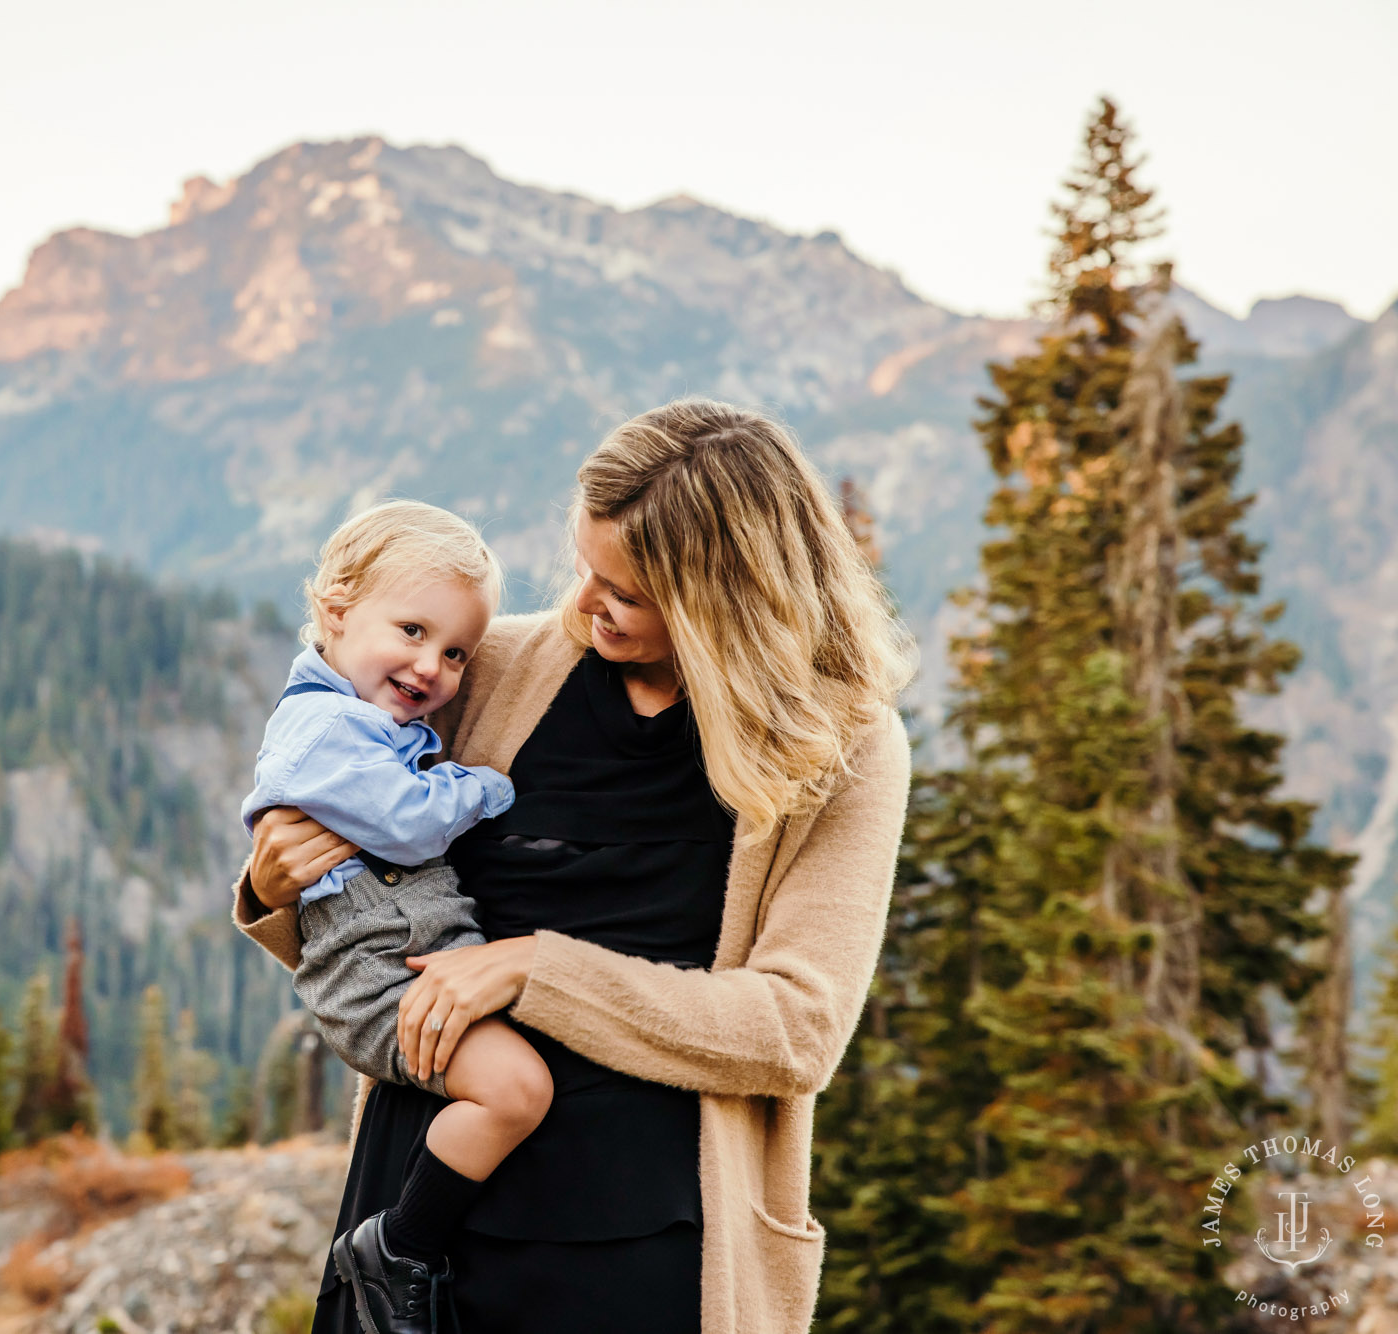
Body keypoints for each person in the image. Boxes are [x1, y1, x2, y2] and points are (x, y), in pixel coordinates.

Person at [235, 400, 916, 1334]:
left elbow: (796, 1030)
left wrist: (537, 970)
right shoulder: (491, 666)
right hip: (417, 1232)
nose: (587, 604)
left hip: (646, 1248)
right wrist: (276, 884)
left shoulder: (838, 745)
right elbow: (375, 890)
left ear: (726, 602)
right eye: (586, 569)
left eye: (626, 593)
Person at [239, 500, 555, 1333]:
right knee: (517, 1091)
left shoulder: (360, 714)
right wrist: (486, 785)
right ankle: (399, 1247)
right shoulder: (324, 730)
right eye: (412, 631)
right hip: (381, 979)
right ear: (336, 612)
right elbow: (409, 820)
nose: (433, 667)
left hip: (398, 956)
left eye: (456, 651)